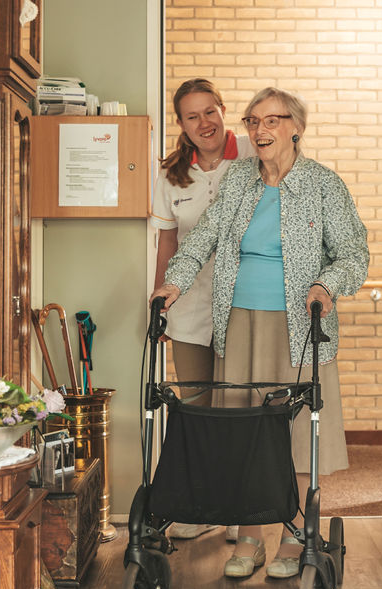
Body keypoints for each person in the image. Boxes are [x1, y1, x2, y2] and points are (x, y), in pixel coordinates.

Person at [150, 87, 369, 580]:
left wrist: (326, 284)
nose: (261, 129)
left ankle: (293, 537)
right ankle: (249, 537)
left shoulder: (322, 185)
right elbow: (203, 236)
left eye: (273, 120)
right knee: (245, 430)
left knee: (293, 431)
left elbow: (354, 254)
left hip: (298, 324)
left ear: (296, 126)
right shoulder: (240, 182)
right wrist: (174, 282)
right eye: (253, 121)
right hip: (239, 322)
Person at [150, 78, 254, 542]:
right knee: (194, 407)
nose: (204, 123)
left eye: (209, 111)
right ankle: (200, 506)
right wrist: (160, 299)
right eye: (192, 116)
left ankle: (239, 510)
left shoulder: (254, 153)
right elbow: (168, 239)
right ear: (181, 124)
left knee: (239, 406)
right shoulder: (171, 173)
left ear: (223, 109)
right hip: (190, 306)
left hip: (246, 303)